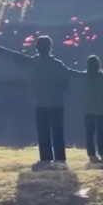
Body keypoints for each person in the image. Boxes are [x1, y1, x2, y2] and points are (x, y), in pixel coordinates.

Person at [23, 36, 76, 164]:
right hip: (56, 103)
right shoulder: (57, 65)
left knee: (43, 133)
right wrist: (60, 90)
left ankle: (46, 158)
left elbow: (28, 80)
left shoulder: (33, 63)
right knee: (57, 133)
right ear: (49, 48)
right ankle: (60, 158)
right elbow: (67, 79)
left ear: (37, 48)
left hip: (40, 102)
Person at [80, 55, 103, 162]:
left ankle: (91, 152)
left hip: (88, 109)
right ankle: (102, 151)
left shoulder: (84, 77)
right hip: (101, 108)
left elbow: (80, 92)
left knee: (89, 133)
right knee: (101, 132)